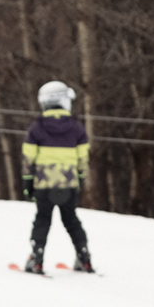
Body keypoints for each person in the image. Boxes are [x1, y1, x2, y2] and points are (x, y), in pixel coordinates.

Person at [20, 80, 93, 274]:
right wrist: (80, 178)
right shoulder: (77, 128)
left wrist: (27, 181)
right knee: (71, 220)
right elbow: (83, 158)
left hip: (43, 184)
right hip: (68, 183)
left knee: (42, 220)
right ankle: (84, 257)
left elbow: (28, 158)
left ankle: (36, 258)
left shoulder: (36, 128)